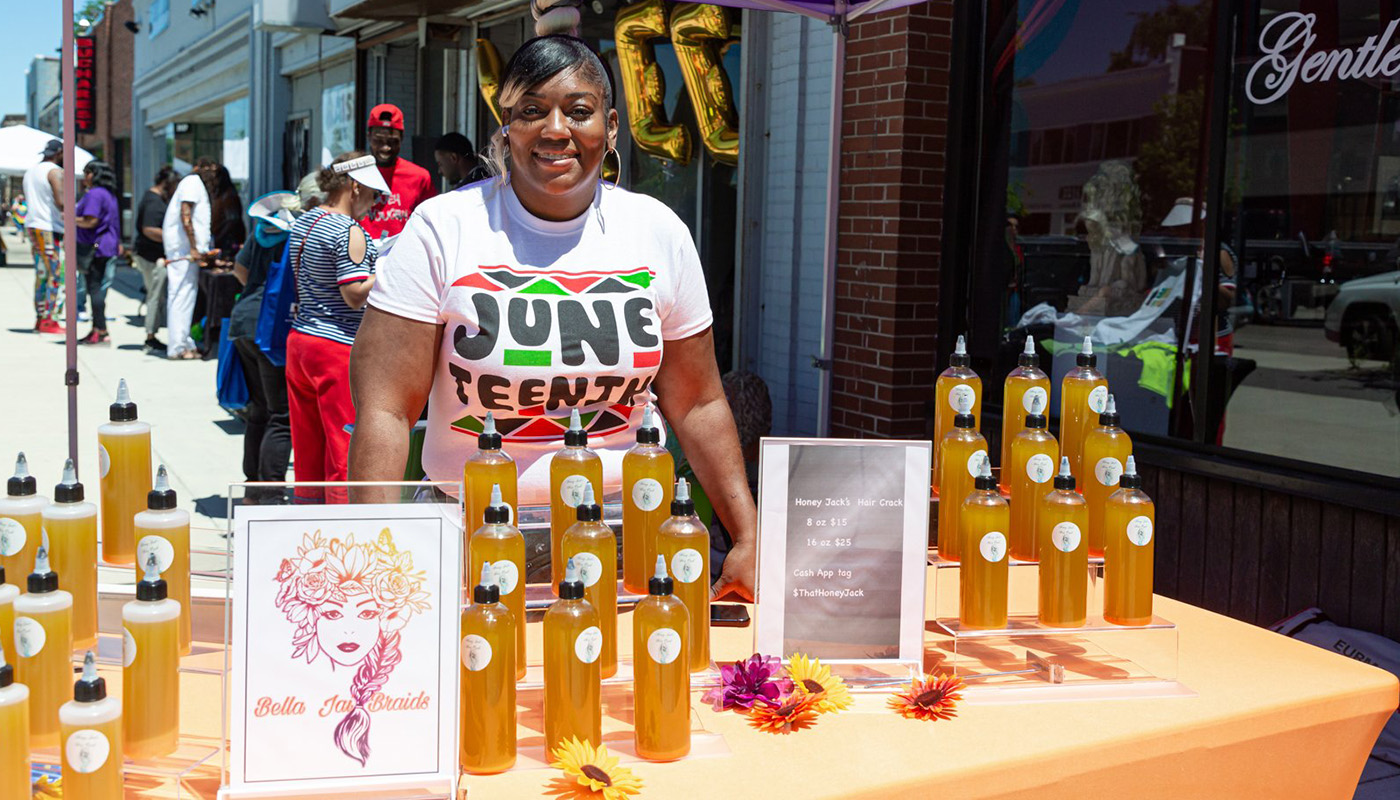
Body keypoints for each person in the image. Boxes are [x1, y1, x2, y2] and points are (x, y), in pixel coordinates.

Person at [348, 5, 758, 601]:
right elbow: (385, 408)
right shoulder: (444, 227)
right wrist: (371, 551)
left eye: (579, 111)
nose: (556, 129)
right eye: (532, 111)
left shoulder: (657, 231)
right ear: (507, 125)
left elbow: (697, 401)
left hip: (632, 532)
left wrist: (746, 529)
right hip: (472, 533)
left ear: (611, 127)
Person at [286, 153, 386, 501]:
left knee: (307, 446)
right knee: (343, 444)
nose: (374, 205)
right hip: (336, 347)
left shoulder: (306, 219)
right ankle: (340, 528)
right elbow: (354, 294)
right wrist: (389, 268)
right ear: (354, 186)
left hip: (300, 340)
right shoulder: (348, 230)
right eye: (374, 194)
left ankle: (307, 521)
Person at [229, 186, 315, 503]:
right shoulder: (297, 237)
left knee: (258, 411)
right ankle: (270, 491)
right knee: (281, 415)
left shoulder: (259, 231)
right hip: (271, 329)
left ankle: (253, 486)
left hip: (243, 322)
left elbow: (240, 271)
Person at [162, 159, 218, 360]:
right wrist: (194, 247)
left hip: (185, 251)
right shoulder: (193, 182)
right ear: (197, 168)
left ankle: (184, 342)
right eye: (208, 168)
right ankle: (177, 347)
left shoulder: (193, 183)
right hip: (184, 252)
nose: (211, 172)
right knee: (181, 297)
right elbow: (186, 215)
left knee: (185, 297)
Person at [359, 103, 436, 241]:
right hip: (360, 258)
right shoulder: (356, 175)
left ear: (402, 138)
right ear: (368, 136)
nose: (385, 148)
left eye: (392, 141)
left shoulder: (419, 177)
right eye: (378, 140)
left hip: (403, 257)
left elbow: (431, 221)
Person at [73, 161, 122, 345]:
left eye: (87, 172)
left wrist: (70, 217)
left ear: (94, 174)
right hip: (106, 245)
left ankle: (100, 331)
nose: (84, 176)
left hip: (96, 247)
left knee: (94, 289)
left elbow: (90, 221)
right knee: (97, 288)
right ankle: (98, 329)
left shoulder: (94, 194)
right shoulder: (108, 194)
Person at [132, 166, 179, 352]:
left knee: (156, 296)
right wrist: (173, 238)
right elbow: (149, 229)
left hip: (151, 254)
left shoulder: (153, 198)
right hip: (151, 257)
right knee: (155, 297)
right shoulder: (154, 202)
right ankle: (151, 337)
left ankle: (152, 335)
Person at [23, 139, 65, 334]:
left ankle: (40, 318)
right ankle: (51, 319)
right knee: (56, 274)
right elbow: (61, 202)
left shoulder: (31, 172)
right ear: (59, 153)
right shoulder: (55, 172)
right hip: (48, 227)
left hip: (33, 226)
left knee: (41, 275)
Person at [208, 164, 246, 262]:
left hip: (228, 242)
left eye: (214, 177)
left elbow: (232, 220)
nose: (211, 181)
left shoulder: (228, 196)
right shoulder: (218, 195)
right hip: (219, 239)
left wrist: (219, 238)